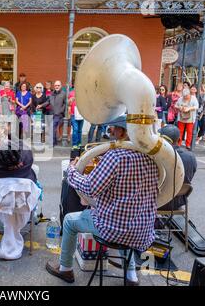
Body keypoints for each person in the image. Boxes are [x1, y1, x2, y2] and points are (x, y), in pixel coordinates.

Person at [46, 115, 158, 285]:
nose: (110, 130)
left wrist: (72, 170)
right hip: (143, 231)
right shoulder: (152, 157)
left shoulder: (115, 157)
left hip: (114, 230)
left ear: (122, 132)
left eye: (113, 127)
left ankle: (65, 269)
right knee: (127, 219)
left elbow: (90, 188)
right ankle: (131, 277)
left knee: (69, 221)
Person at [158, 125, 197, 211]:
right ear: (179, 140)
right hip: (178, 202)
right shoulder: (190, 157)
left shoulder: (157, 156)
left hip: (158, 202)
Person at [48, 80, 66, 146]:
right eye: (55, 85)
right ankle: (54, 142)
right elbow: (48, 102)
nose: (57, 86)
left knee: (53, 127)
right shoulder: (52, 93)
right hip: (52, 113)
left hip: (59, 114)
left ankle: (51, 143)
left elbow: (65, 104)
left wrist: (61, 110)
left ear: (61, 86)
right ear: (54, 86)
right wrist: (41, 105)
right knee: (53, 128)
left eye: (58, 85)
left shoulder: (63, 94)